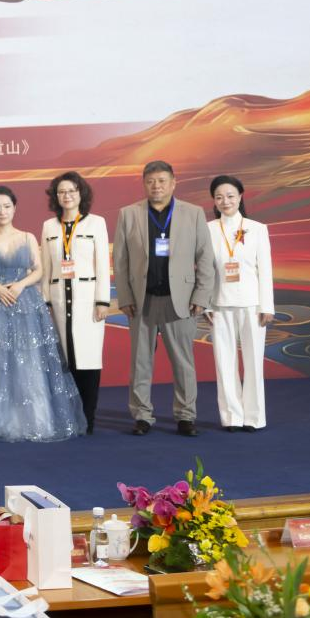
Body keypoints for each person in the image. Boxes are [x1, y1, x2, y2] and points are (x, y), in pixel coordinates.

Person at [0, 186, 86, 442]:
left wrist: (20, 285)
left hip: (25, 303)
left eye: (6, 206)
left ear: (14, 208)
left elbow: (39, 270)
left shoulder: (28, 237)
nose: (2, 212)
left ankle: (35, 420)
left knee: (29, 360)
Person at [113, 161, 215, 437]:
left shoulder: (193, 213)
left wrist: (201, 295)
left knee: (183, 362)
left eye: (161, 180)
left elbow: (205, 258)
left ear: (173, 183)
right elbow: (120, 261)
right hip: (141, 300)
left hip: (180, 300)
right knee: (140, 362)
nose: (156, 186)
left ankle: (186, 416)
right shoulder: (128, 214)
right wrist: (124, 296)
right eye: (150, 181)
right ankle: (142, 416)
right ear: (144, 184)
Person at [39, 172, 110, 434]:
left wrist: (102, 300)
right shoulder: (49, 226)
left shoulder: (96, 223)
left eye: (72, 191)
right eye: (61, 192)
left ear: (81, 193)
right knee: (64, 361)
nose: (67, 196)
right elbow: (46, 267)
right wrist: (45, 301)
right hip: (58, 301)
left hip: (88, 301)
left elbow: (102, 264)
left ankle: (88, 419)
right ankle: (68, 418)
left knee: (88, 359)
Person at [205, 175, 274, 432]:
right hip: (219, 303)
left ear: (241, 196)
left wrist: (267, 306)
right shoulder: (208, 229)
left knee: (254, 362)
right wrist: (207, 304)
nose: (225, 201)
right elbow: (205, 270)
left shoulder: (257, 228)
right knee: (224, 363)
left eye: (230, 196)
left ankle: (254, 417)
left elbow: (265, 269)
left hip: (251, 304)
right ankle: (231, 417)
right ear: (214, 201)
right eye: (219, 197)